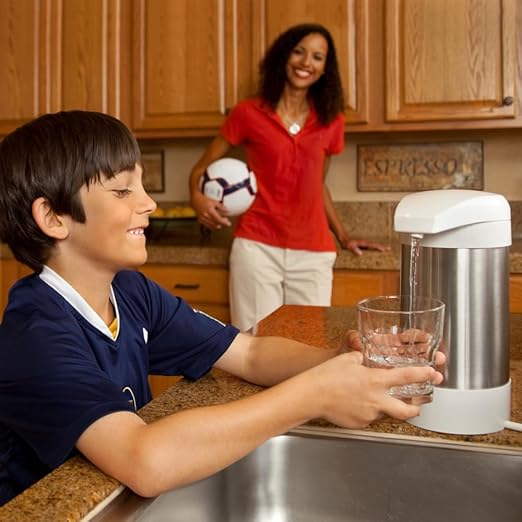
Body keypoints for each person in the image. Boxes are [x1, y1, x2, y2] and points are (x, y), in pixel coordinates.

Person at [0, 110, 444, 506]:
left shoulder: (130, 292)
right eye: (122, 191)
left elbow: (248, 353)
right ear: (53, 217)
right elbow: (144, 461)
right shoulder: (34, 335)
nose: (149, 203)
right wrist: (316, 395)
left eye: (141, 185)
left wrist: (344, 361)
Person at [189, 23, 390, 332]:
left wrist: (344, 235)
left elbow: (317, 185)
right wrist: (197, 198)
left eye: (317, 57)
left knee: (307, 344)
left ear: (325, 68)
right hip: (256, 246)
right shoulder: (247, 113)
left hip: (313, 253)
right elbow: (200, 169)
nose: (306, 62)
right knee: (254, 345)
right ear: (284, 56)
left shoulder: (331, 121)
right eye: (299, 52)